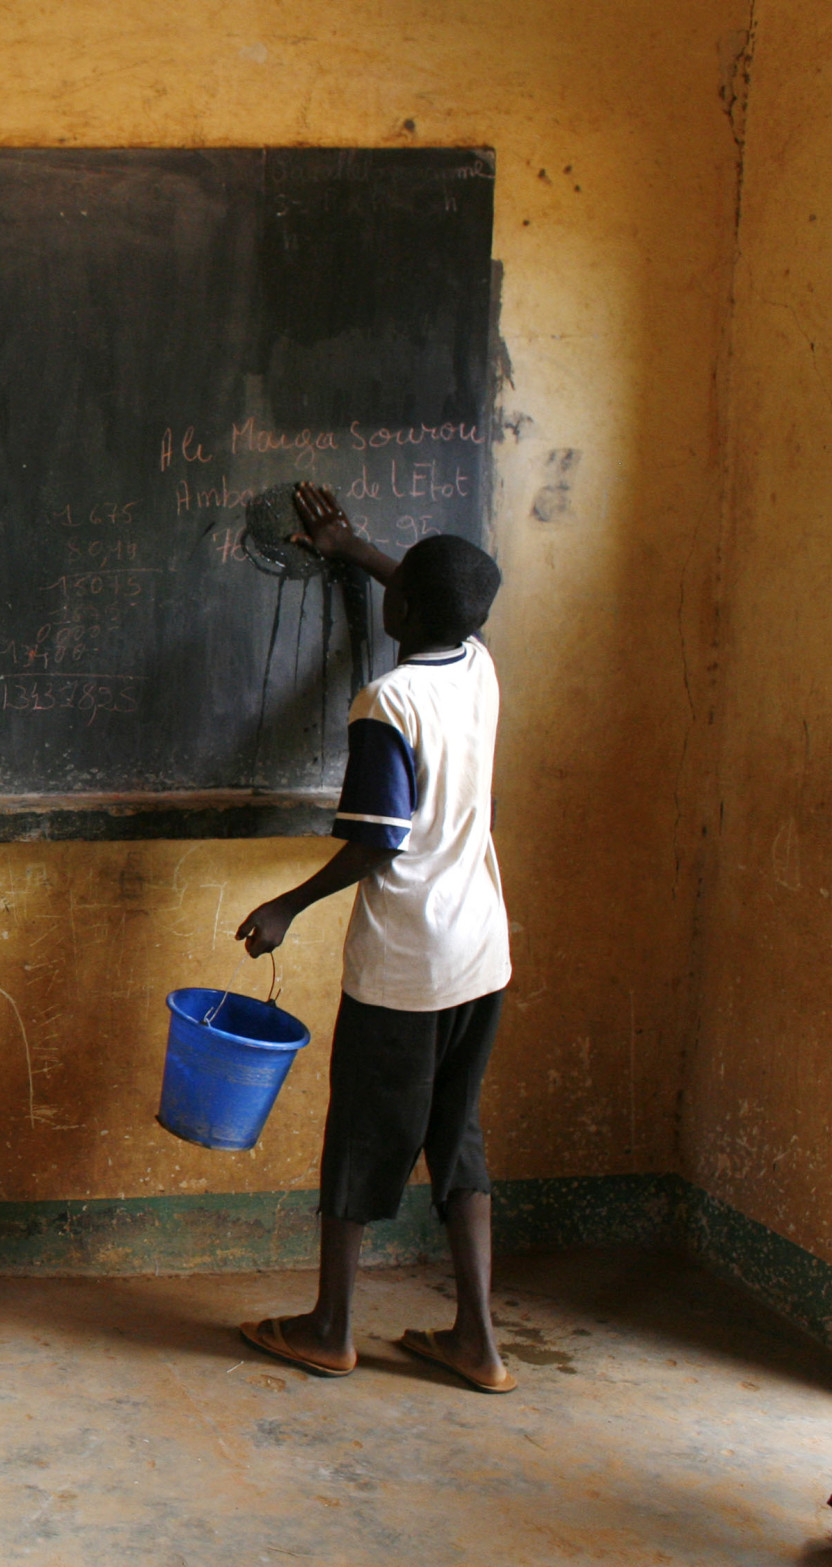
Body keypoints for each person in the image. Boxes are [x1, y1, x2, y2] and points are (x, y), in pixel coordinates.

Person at [234, 482, 516, 1394]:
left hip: (406, 966)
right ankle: (478, 1342)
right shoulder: (476, 664)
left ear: (402, 613)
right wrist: (356, 551)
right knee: (456, 1134)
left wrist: (288, 905)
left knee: (361, 1138)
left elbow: (376, 839)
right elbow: (434, 600)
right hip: (480, 952)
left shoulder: (387, 704)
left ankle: (330, 1328)